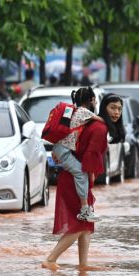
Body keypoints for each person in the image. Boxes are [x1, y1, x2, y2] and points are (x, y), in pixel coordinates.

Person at [42, 92, 125, 271]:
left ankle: (83, 266)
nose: (116, 112)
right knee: (81, 224)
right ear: (102, 107)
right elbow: (90, 155)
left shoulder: (93, 123)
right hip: (76, 179)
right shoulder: (100, 128)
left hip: (75, 177)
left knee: (87, 226)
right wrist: (91, 174)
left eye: (119, 109)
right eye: (112, 108)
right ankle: (50, 259)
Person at [52, 87, 104, 222]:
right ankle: (84, 211)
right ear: (92, 100)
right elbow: (102, 121)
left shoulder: (76, 111)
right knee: (80, 173)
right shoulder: (83, 112)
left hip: (61, 149)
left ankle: (86, 209)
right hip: (63, 151)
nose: (96, 103)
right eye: (96, 101)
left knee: (82, 173)